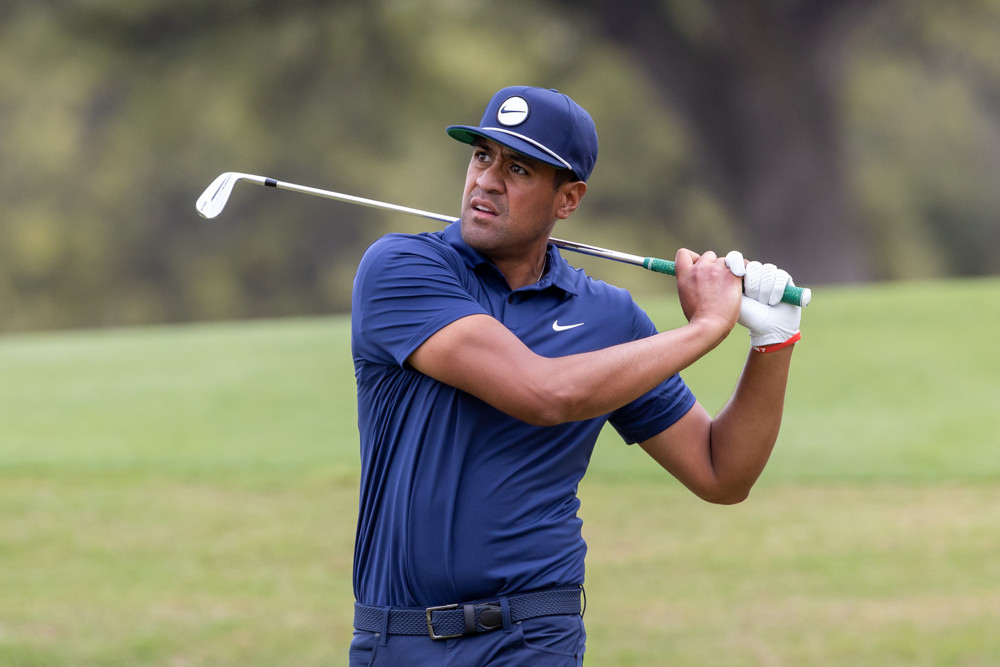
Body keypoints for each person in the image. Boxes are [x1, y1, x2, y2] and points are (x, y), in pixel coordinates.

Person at [348, 86, 802, 666]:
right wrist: (705, 328)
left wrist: (772, 342)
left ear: (568, 199)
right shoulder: (402, 268)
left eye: (518, 168)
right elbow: (541, 392)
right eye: (481, 156)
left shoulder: (608, 317)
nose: (487, 180)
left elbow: (721, 473)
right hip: (400, 639)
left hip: (535, 638)